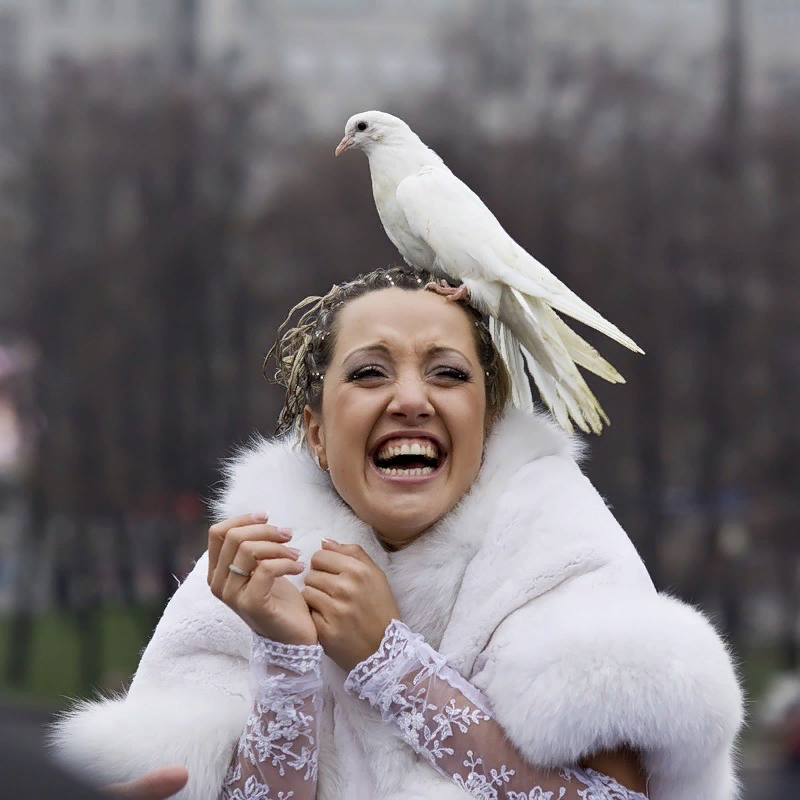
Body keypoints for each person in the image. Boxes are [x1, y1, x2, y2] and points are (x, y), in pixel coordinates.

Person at [50, 266, 744, 799]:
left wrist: (390, 664)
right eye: (370, 372)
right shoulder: (243, 586)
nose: (410, 400)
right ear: (318, 433)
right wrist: (287, 656)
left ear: (489, 423)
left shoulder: (567, 560)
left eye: (447, 373)